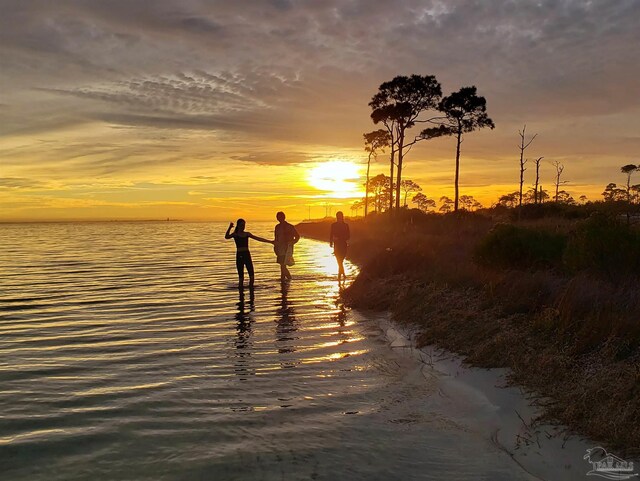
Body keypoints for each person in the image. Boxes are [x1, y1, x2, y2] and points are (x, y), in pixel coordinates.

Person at [225, 219, 273, 287]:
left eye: (244, 225)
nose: (243, 227)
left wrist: (270, 242)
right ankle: (241, 294)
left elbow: (258, 238)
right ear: (238, 226)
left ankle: (251, 292)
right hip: (239, 255)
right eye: (241, 225)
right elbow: (226, 237)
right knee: (241, 277)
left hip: (247, 254)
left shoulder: (247, 234)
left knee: (252, 276)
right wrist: (229, 227)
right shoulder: (235, 234)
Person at [273, 211, 300, 281]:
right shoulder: (277, 227)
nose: (279, 218)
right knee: (282, 265)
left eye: (280, 217)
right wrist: (275, 247)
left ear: (284, 217)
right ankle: (284, 280)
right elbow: (276, 238)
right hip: (280, 248)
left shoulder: (290, 227)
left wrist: (292, 243)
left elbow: (297, 236)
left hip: (288, 249)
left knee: (283, 265)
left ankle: (289, 279)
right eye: (278, 217)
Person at [329, 211, 350, 282]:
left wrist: (340, 238)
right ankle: (340, 275)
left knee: (341, 260)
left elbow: (348, 236)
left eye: (340, 216)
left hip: (343, 245)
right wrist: (331, 242)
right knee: (339, 260)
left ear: (342, 217)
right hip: (336, 245)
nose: (338, 218)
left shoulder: (346, 225)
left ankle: (342, 274)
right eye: (337, 217)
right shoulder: (333, 225)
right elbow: (331, 234)